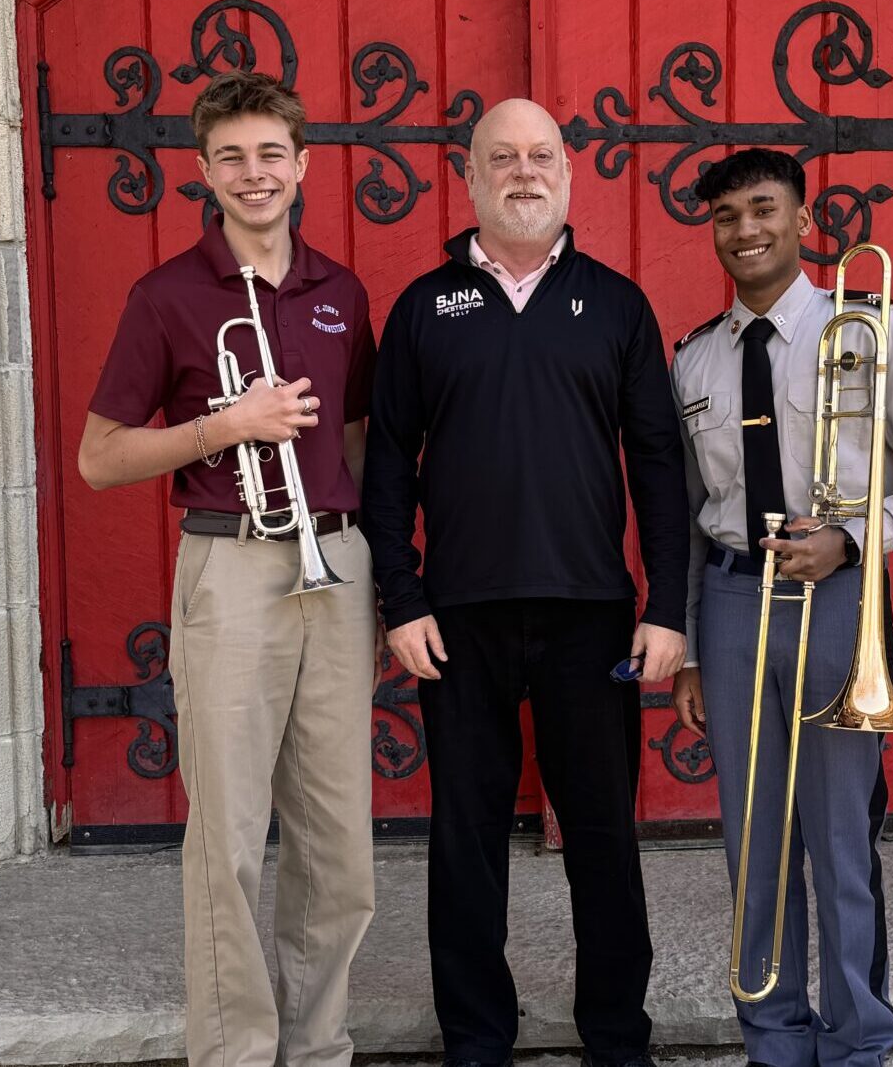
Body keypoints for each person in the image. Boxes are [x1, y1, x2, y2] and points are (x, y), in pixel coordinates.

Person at [361, 98, 690, 1067]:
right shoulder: (425, 306)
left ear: (569, 173)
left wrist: (666, 605)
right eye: (501, 157)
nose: (523, 170)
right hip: (457, 619)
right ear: (467, 178)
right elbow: (388, 464)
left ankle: (618, 1035)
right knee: (464, 840)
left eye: (541, 154)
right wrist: (402, 598)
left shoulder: (617, 302)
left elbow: (659, 462)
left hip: (592, 615)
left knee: (602, 838)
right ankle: (475, 1034)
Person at [76, 70, 378, 1067]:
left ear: (302, 166)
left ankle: (318, 1041)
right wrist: (224, 424)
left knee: (339, 844)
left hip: (333, 563)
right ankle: (238, 1053)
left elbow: (364, 434)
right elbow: (100, 453)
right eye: (233, 157)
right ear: (203, 172)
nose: (255, 174)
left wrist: (369, 561)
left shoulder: (341, 290)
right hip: (231, 562)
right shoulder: (166, 294)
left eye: (271, 154)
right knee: (231, 840)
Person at [668, 148, 893, 1067]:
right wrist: (686, 644)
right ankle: (772, 1034)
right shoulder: (692, 360)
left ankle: (856, 1042)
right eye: (726, 215)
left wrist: (854, 538)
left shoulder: (868, 329)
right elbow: (685, 515)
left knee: (841, 838)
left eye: (764, 208)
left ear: (804, 220)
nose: (746, 230)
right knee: (751, 836)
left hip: (836, 599)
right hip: (730, 603)